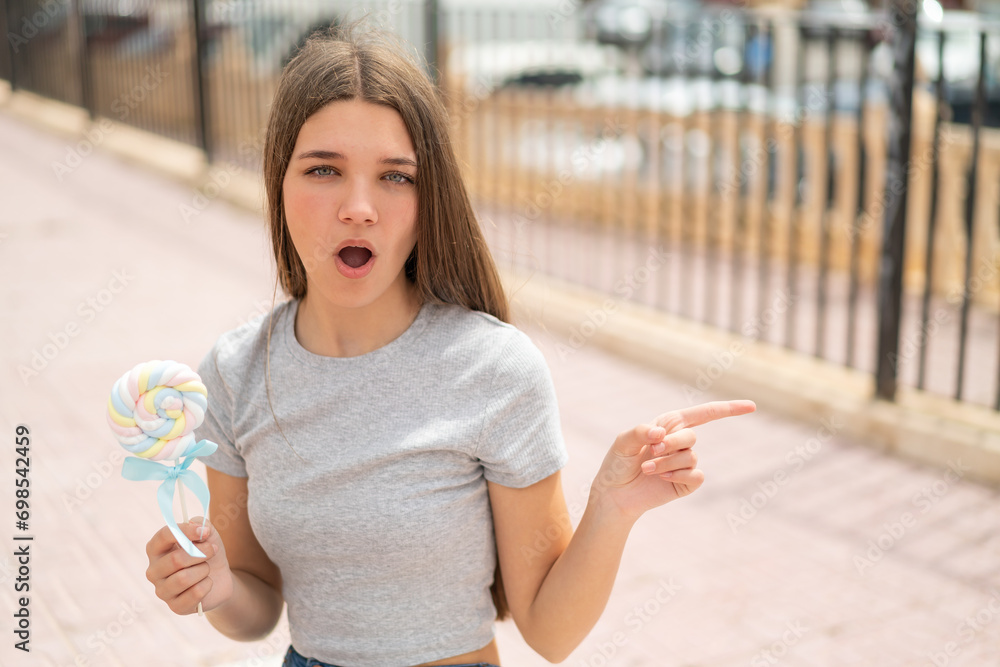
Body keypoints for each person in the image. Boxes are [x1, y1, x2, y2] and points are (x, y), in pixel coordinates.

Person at [141, 20, 755, 667]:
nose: (358, 206)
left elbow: (550, 631)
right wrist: (214, 586)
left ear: (428, 195)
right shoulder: (234, 373)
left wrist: (612, 507)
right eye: (323, 169)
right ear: (279, 181)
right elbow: (258, 607)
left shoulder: (493, 369)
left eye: (395, 176)